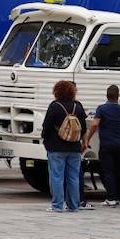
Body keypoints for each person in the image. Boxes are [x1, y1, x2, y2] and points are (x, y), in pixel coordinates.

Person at [41, 80, 87, 213]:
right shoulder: (77, 107)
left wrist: (45, 140)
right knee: (73, 177)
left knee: (57, 176)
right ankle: (73, 205)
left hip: (56, 147)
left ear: (56, 92)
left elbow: (47, 127)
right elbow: (83, 128)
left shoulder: (54, 106)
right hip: (74, 148)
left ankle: (57, 205)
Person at [85, 85, 120, 207]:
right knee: (117, 171)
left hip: (106, 145)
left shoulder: (102, 109)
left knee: (107, 172)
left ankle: (111, 197)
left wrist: (87, 138)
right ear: (118, 96)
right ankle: (116, 196)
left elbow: (94, 124)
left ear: (107, 95)